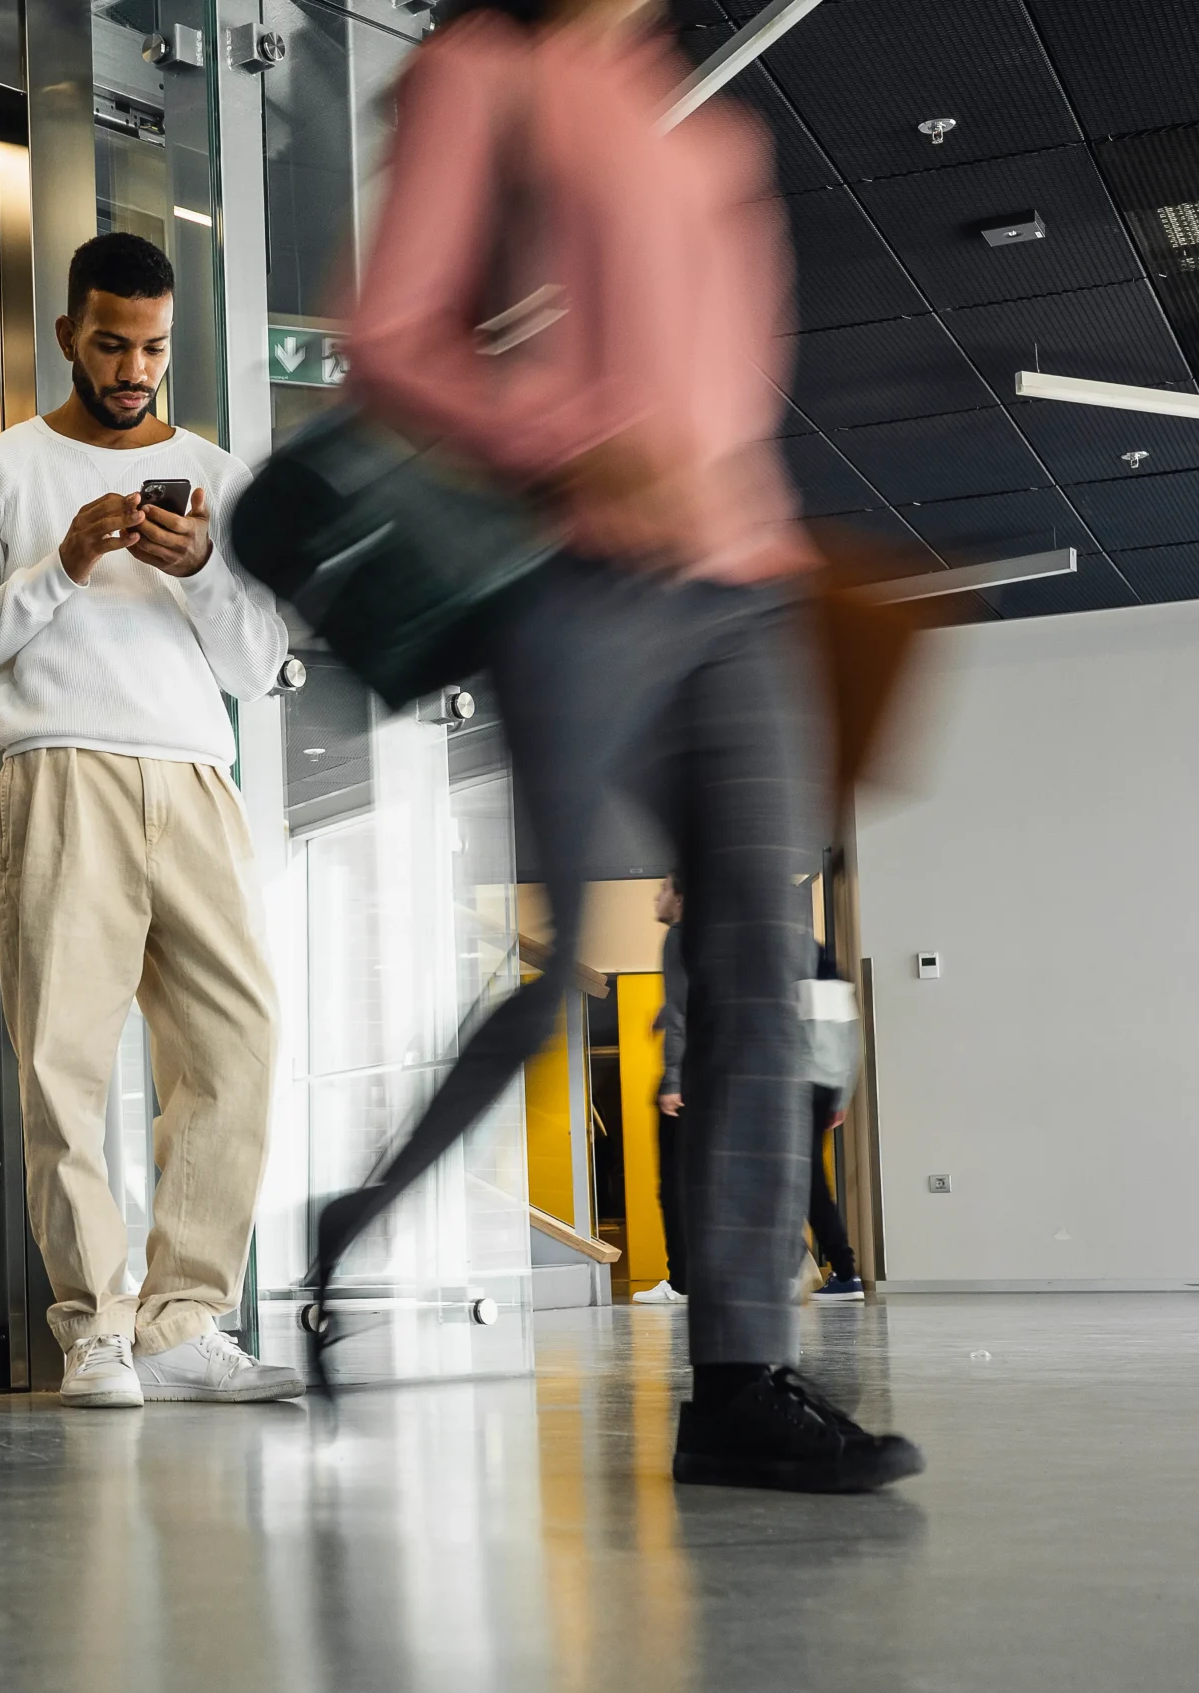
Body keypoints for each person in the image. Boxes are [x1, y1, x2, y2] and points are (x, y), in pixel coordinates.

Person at [336, 0, 921, 1489]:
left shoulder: (692, 116)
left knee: (754, 968)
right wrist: (571, 441)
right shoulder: (486, 75)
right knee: (569, 982)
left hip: (742, 587)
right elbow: (390, 337)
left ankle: (738, 1378)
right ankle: (356, 1219)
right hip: (574, 578)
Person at [0, 232, 300, 1408]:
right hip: (59, 770)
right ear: (70, 335)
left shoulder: (218, 475)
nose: (134, 368)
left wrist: (199, 570)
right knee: (64, 1062)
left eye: (153, 348)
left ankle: (183, 1321)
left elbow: (264, 659)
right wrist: (61, 565)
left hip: (192, 777)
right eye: (112, 344)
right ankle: (95, 1327)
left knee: (237, 1043)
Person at [631, 878, 687, 1307]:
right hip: (719, 1077)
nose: (657, 897)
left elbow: (686, 1012)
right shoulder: (713, 939)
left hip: (689, 1084)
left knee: (675, 1187)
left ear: (681, 898)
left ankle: (683, 1283)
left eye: (664, 889)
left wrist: (672, 1080)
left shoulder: (678, 938)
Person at [806, 944, 863, 1301]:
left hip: (795, 1088)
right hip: (826, 1089)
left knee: (805, 1183)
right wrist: (840, 1099)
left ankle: (844, 1270)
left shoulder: (793, 988)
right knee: (810, 1180)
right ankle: (844, 1273)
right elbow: (853, 1048)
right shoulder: (838, 991)